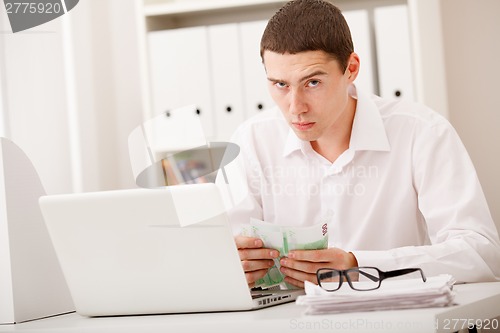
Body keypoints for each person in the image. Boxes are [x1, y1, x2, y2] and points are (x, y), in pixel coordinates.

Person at [226, 0, 500, 288]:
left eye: (313, 83)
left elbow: (481, 253)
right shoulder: (251, 141)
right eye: (280, 85)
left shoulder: (421, 132)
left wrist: (359, 265)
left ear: (351, 69)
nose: (296, 107)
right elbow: (224, 256)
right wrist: (234, 267)